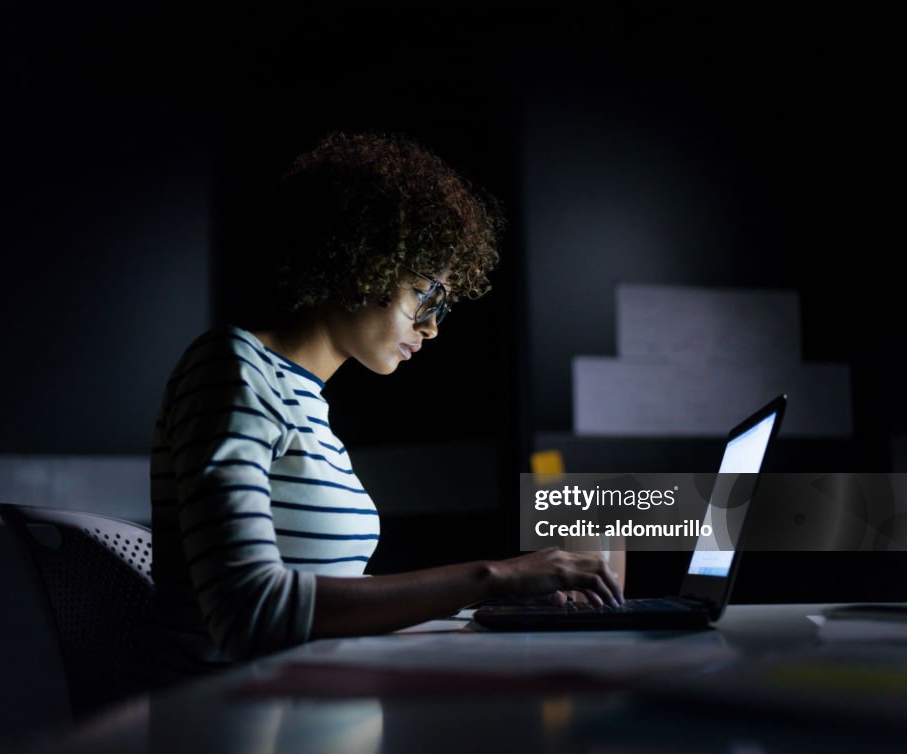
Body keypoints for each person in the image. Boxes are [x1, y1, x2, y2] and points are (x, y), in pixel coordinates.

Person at [143, 132, 623, 677]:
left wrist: (486, 607)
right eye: (426, 296)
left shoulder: (310, 407)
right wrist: (496, 576)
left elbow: (331, 599)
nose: (432, 327)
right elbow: (248, 612)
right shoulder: (231, 366)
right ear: (359, 263)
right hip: (222, 724)